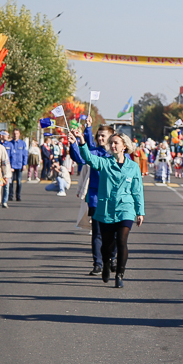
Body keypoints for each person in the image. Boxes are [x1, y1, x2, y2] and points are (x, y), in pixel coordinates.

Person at [70, 129, 145, 288]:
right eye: (111, 143)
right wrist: (81, 141)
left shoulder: (133, 167)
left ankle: (119, 274)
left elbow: (137, 190)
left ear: (124, 146)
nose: (113, 145)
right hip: (106, 209)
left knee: (122, 240)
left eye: (116, 143)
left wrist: (140, 212)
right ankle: (105, 263)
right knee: (106, 245)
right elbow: (88, 158)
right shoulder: (104, 162)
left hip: (125, 208)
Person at [69, 123, 116, 277]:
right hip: (96, 197)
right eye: (99, 136)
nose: (100, 138)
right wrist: (74, 143)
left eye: (103, 136)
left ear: (111, 137)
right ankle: (98, 264)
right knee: (97, 233)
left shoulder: (117, 153)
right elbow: (80, 157)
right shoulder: (94, 152)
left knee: (114, 232)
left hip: (114, 199)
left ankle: (113, 258)